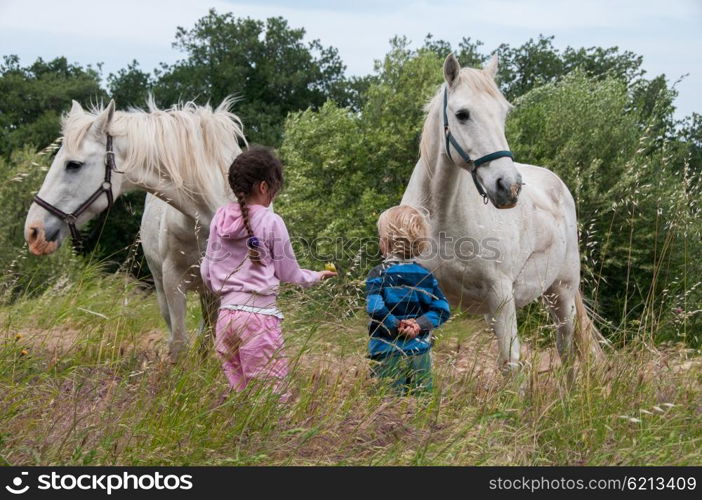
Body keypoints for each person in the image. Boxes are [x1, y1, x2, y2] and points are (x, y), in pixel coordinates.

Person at [201, 147, 336, 402]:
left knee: (237, 392)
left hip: (225, 318)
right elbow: (289, 272)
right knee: (270, 395)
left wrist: (227, 292)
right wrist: (315, 276)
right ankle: (268, 438)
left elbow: (206, 271)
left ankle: (242, 438)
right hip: (258, 319)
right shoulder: (271, 221)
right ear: (264, 187)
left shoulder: (219, 217)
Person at [366, 205, 450, 394]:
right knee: (420, 402)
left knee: (386, 405)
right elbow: (442, 308)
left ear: (385, 243)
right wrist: (418, 325)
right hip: (420, 351)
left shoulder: (378, 273)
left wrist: (397, 325)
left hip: (386, 351)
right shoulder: (426, 275)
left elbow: (375, 308)